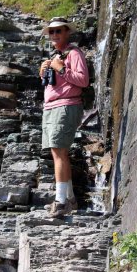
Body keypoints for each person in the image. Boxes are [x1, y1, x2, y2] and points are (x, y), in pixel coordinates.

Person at [39, 17, 89, 218]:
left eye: (59, 31)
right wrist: (43, 72)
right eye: (51, 32)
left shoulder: (74, 53)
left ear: (67, 32)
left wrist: (61, 68)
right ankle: (69, 199)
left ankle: (60, 202)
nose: (54, 35)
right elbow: (54, 85)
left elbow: (83, 80)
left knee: (59, 152)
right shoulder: (56, 55)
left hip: (66, 106)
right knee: (57, 152)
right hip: (52, 107)